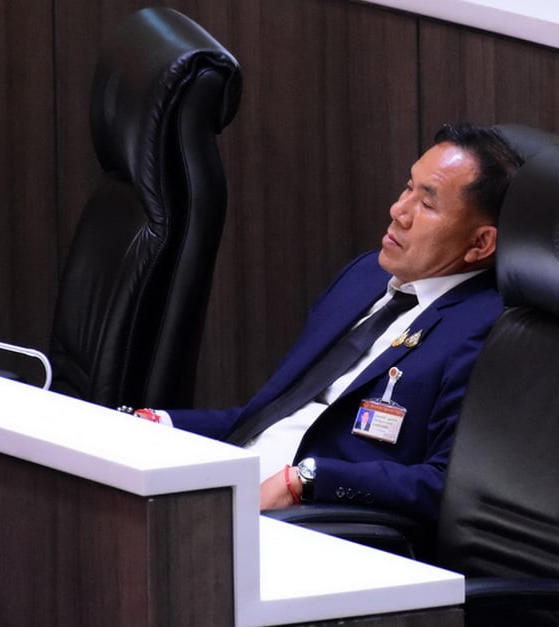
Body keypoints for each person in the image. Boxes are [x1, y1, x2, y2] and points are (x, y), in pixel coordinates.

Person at [132, 123, 523, 525]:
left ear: (481, 243)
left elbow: (447, 485)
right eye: (408, 187)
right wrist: (160, 424)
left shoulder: (488, 332)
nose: (398, 211)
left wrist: (310, 481)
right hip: (237, 486)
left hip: (320, 523)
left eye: (426, 204)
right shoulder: (364, 277)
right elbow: (273, 416)